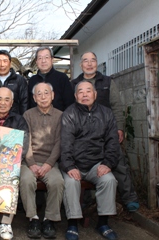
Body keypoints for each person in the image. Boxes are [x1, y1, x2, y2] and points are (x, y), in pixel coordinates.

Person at [71, 51, 139, 212]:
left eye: (92, 60)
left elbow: (116, 106)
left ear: (97, 63)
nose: (89, 64)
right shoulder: (74, 83)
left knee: (118, 161)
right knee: (83, 163)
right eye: (85, 61)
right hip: (82, 134)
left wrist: (119, 128)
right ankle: (86, 200)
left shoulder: (108, 82)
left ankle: (129, 198)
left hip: (106, 131)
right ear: (81, 65)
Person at [60, 80, 120, 240]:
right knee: (71, 182)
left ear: (95, 94)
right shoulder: (69, 113)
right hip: (74, 164)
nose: (84, 94)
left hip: (97, 164)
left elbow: (113, 142)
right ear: (75, 95)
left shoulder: (107, 114)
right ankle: (72, 223)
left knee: (109, 180)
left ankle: (103, 222)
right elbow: (65, 144)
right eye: (80, 91)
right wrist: (70, 166)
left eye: (88, 91)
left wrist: (107, 163)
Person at [0, 87, 29, 240]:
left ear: (12, 103)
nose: (3, 103)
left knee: (12, 176)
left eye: (7, 99)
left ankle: (6, 223)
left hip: (11, 163)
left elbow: (24, 144)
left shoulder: (19, 120)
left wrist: (9, 161)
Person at [21, 82, 64, 239]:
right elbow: (26, 141)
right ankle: (33, 218)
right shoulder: (28, 115)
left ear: (52, 95)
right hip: (29, 161)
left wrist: (49, 164)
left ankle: (49, 219)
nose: (43, 96)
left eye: (46, 93)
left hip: (50, 162)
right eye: (39, 94)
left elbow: (60, 142)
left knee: (57, 182)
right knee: (26, 180)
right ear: (34, 97)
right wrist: (31, 163)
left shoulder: (60, 115)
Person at [28, 46, 75, 111]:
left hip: (59, 118)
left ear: (52, 59)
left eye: (46, 57)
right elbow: (30, 104)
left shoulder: (62, 78)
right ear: (36, 61)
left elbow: (69, 103)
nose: (43, 61)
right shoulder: (32, 80)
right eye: (40, 58)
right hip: (36, 119)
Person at [0, 49, 28, 115]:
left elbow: (24, 103)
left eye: (5, 61)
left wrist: (22, 121)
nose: (2, 65)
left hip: (15, 120)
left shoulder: (20, 80)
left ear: (10, 63)